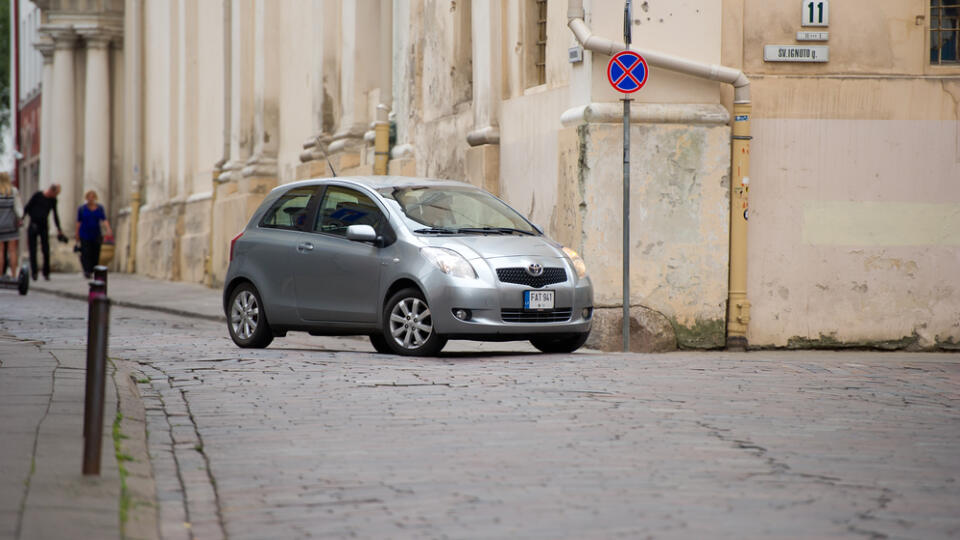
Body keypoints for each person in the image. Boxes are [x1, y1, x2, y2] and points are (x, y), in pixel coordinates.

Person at [24, 183, 66, 281]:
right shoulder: (38, 195)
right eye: (55, 194)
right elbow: (27, 207)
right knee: (33, 249)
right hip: (33, 224)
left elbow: (55, 214)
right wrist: (22, 218)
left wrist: (59, 229)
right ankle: (34, 272)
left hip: (43, 225)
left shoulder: (53, 200)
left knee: (45, 249)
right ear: (51, 191)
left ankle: (46, 272)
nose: (55, 196)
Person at [76, 190, 113, 278]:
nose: (91, 199)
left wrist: (108, 229)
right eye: (89, 197)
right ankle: (87, 270)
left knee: (95, 252)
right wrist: (77, 234)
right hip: (84, 234)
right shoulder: (82, 209)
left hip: (96, 234)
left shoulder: (99, 208)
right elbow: (78, 222)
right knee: (85, 253)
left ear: (95, 198)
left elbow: (104, 219)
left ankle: (93, 269)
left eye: (93, 197)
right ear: (86, 198)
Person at [0, 172, 24, 278]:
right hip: (11, 225)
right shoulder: (13, 191)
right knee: (13, 251)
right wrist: (20, 218)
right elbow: (18, 208)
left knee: (0, 251)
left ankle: (0, 275)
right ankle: (14, 275)